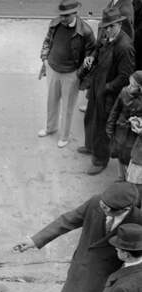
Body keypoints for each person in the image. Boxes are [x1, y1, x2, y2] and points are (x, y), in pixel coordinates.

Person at [13, 182, 142, 292]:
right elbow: (67, 220)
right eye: (102, 204)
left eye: (107, 208)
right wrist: (35, 240)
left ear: (125, 209)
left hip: (108, 272)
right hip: (83, 262)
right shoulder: (96, 202)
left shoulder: (138, 220)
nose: (102, 208)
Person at [77, 7, 135, 175]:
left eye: (111, 26)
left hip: (109, 94)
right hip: (97, 85)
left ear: (119, 24)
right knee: (90, 118)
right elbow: (97, 48)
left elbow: (124, 78)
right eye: (106, 26)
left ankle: (100, 160)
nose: (107, 30)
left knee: (102, 126)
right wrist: (91, 57)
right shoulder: (106, 35)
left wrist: (106, 88)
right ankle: (90, 146)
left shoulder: (125, 47)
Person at [37, 0, 95, 148]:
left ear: (75, 13)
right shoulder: (54, 23)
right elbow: (47, 42)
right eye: (61, 15)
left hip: (71, 73)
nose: (62, 18)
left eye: (66, 16)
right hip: (52, 69)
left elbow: (91, 55)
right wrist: (44, 59)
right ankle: (50, 128)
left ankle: (64, 136)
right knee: (51, 102)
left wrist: (78, 74)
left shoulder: (86, 31)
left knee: (67, 108)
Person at [107, 71, 142, 177]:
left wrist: (138, 121)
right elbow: (115, 110)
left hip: (133, 135)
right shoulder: (124, 92)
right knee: (119, 154)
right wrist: (109, 127)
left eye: (134, 86)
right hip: (120, 130)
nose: (130, 87)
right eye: (129, 84)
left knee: (129, 158)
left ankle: (127, 180)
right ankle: (120, 177)